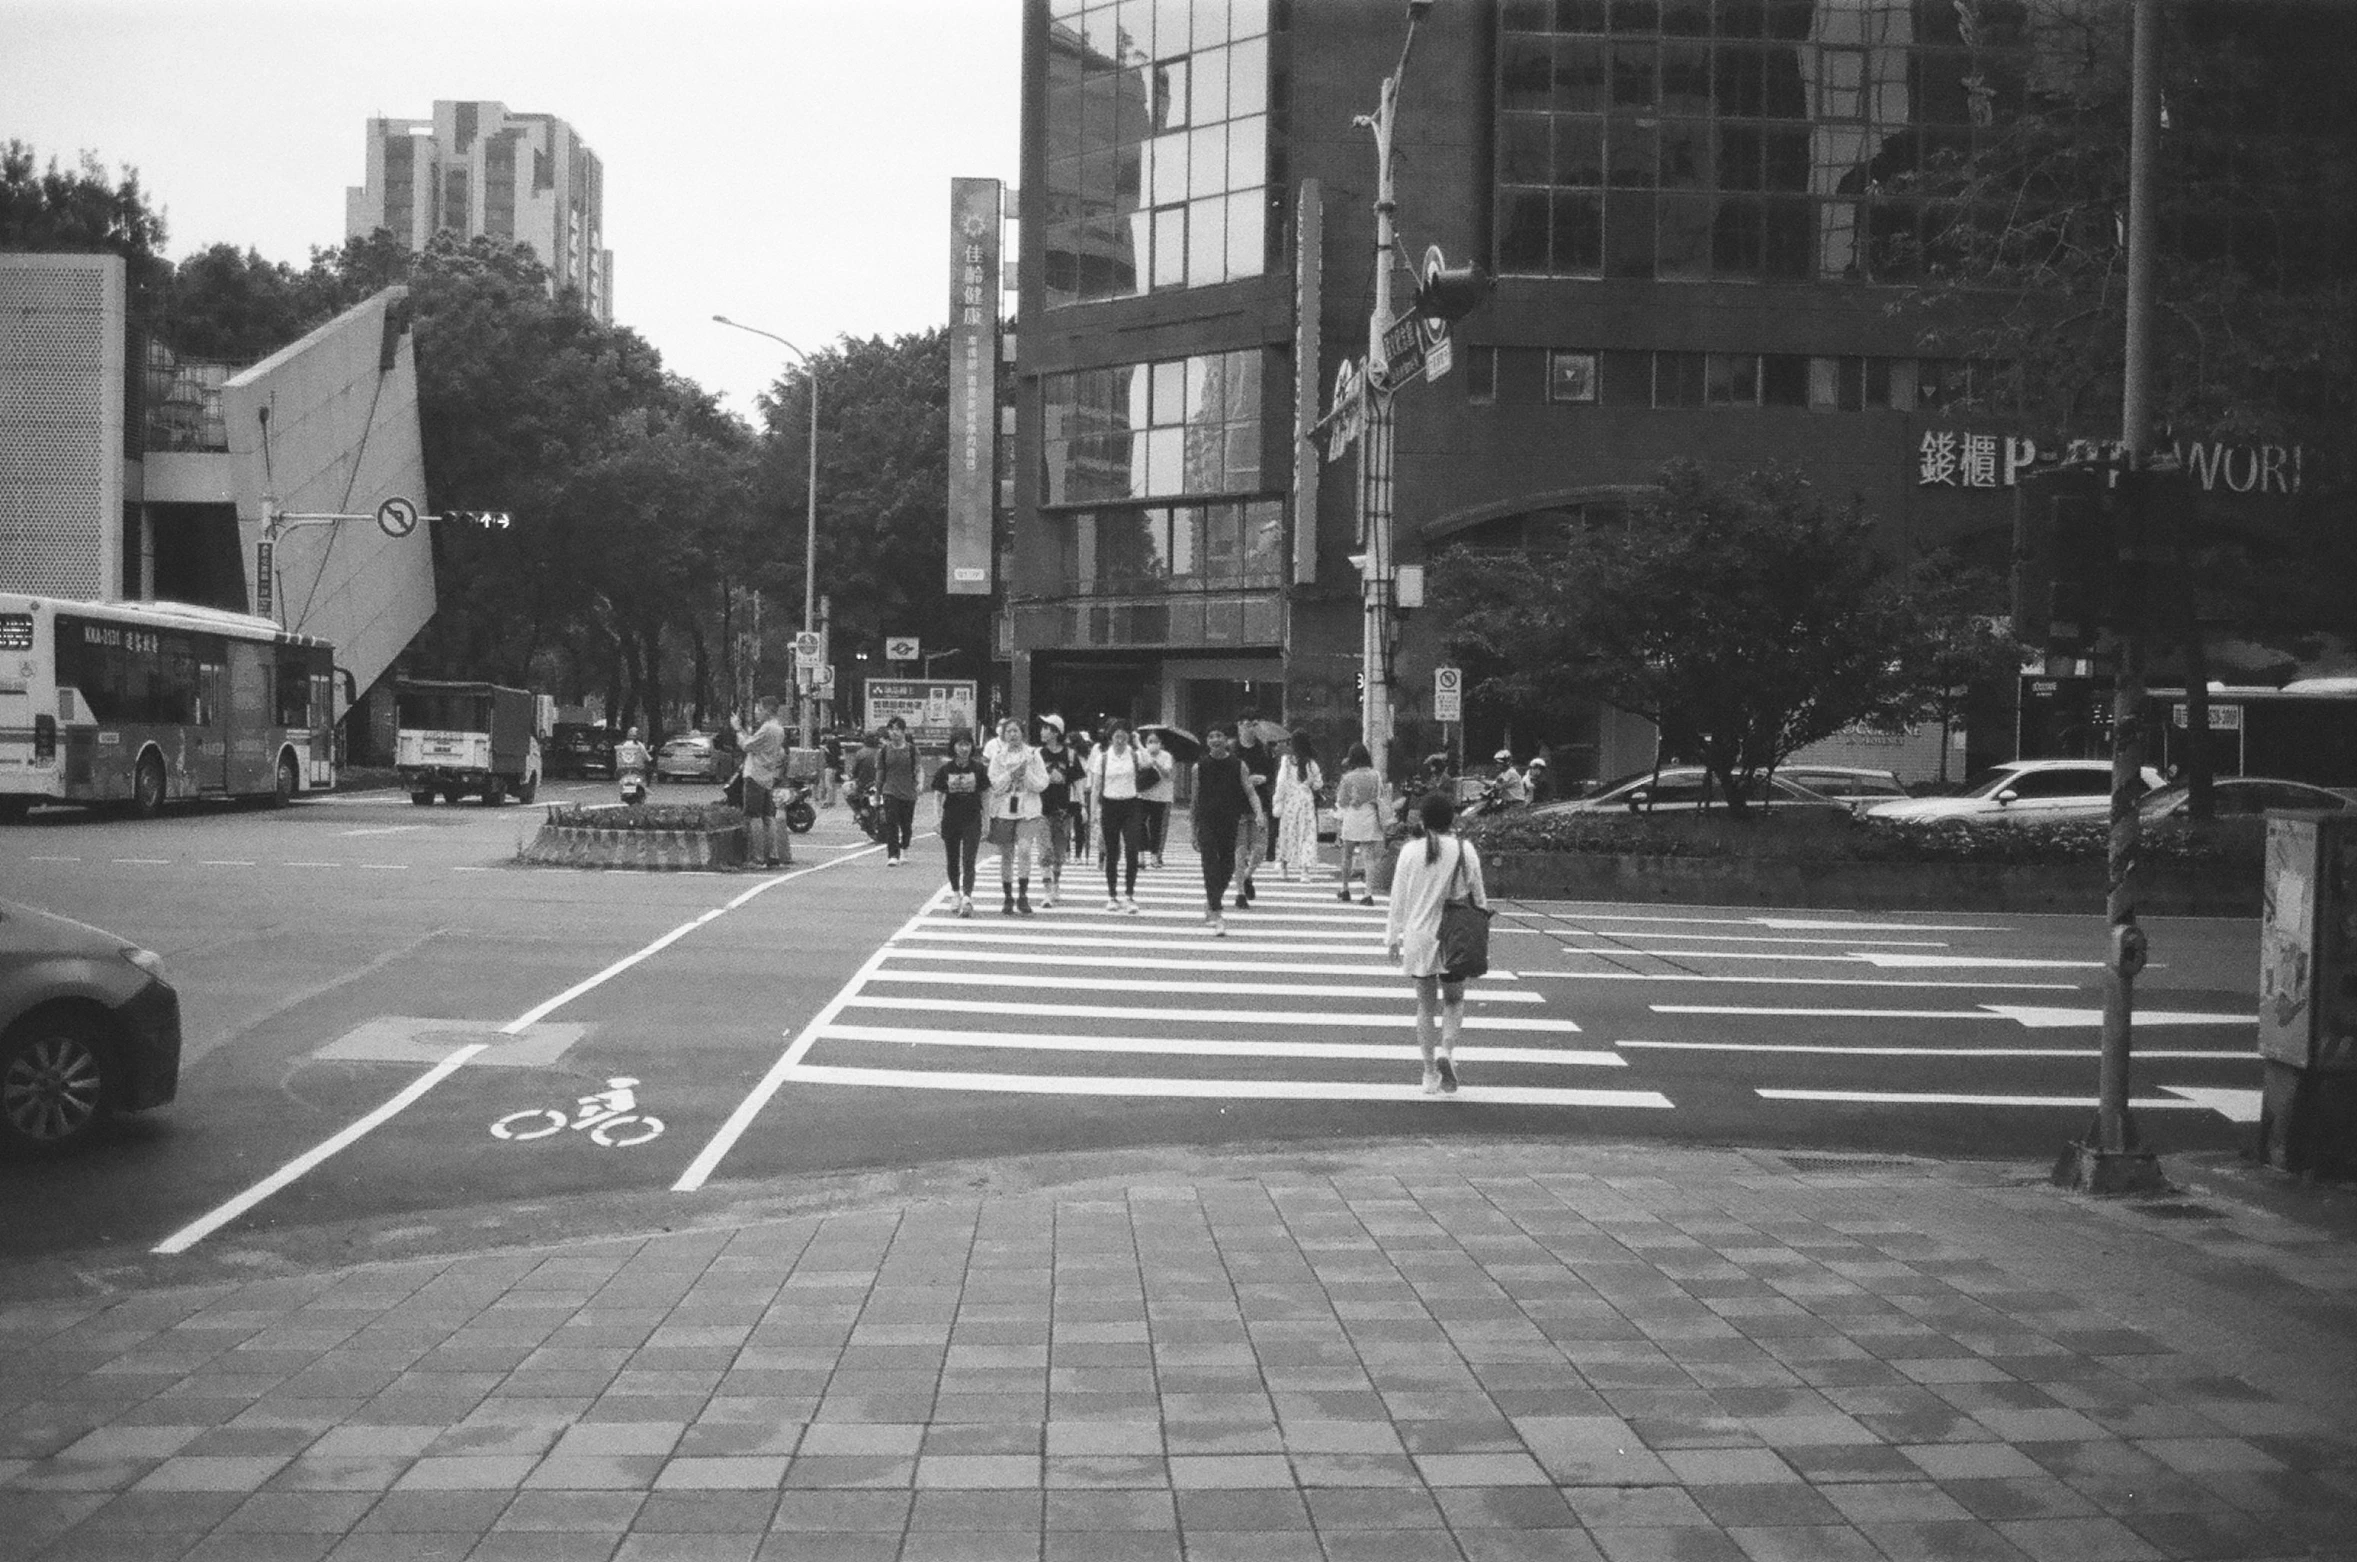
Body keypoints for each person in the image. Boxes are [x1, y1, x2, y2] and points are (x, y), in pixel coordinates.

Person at [1385, 793, 1489, 1095]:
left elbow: (1398, 899)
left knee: (1425, 1005)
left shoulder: (1409, 852)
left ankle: (1430, 1073)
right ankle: (1447, 1050)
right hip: (1454, 937)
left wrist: (1392, 937)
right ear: (1452, 820)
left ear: (1421, 821)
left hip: (1419, 937)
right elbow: (1479, 896)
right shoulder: (1464, 849)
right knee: (1454, 1000)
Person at [1190, 724, 1263, 937]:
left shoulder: (1238, 765)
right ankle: (1217, 912)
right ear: (1207, 741)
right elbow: (1194, 800)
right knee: (1210, 866)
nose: (1215, 740)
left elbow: (1249, 791)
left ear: (1226, 739)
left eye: (1219, 735)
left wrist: (1258, 812)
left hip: (1231, 821)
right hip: (1207, 822)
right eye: (1211, 736)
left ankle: (1212, 902)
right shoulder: (1199, 767)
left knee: (1228, 865)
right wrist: (1193, 829)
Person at [986, 716, 1050, 914]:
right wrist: (1011, 774)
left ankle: (1023, 895)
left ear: (1022, 733)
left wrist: (1026, 774)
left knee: (1024, 850)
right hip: (1004, 810)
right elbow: (994, 784)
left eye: (1016, 730)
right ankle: (1007, 897)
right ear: (1003, 735)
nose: (1013, 734)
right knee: (1006, 855)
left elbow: (1042, 783)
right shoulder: (998, 757)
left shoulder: (1033, 755)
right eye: (1009, 731)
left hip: (1028, 810)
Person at [1089, 720, 1148, 912]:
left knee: (1132, 849)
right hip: (1110, 805)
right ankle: (1112, 895)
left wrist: (1139, 743)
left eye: (1124, 736)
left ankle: (1129, 895)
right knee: (1112, 852)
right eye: (1117, 736)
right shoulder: (1103, 758)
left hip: (1131, 805)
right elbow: (1096, 787)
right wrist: (1093, 813)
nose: (1120, 740)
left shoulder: (1134, 754)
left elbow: (1148, 763)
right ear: (1111, 737)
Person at [929, 727, 989, 916]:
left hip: (972, 818)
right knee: (952, 858)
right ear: (953, 747)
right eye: (960, 744)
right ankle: (955, 892)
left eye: (967, 744)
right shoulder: (945, 770)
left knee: (969, 859)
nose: (964, 748)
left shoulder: (979, 769)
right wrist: (937, 819)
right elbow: (937, 796)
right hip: (951, 818)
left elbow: (986, 796)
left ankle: (967, 897)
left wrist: (987, 821)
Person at [1035, 715, 1087, 908]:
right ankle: (1047, 892)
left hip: (1063, 811)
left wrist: (1083, 807)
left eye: (1046, 728)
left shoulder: (1070, 755)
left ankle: (1056, 883)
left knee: (1059, 855)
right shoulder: (1038, 754)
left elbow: (1078, 782)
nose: (1042, 732)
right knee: (1045, 852)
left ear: (1055, 732)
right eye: (1042, 728)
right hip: (1041, 810)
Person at [1232, 717, 1278, 906]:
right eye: (1245, 724)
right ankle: (1240, 894)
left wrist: (1263, 778)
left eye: (1252, 724)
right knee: (1240, 850)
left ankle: (1247, 876)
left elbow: (1272, 774)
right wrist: (1245, 780)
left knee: (1260, 849)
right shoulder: (1233, 750)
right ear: (1239, 726)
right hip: (1238, 803)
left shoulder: (1264, 749)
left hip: (1261, 802)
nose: (1249, 728)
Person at [737, 698, 787, 867]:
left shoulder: (767, 728)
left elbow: (746, 745)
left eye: (758, 709)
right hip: (768, 776)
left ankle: (757, 858)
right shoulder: (779, 729)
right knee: (769, 817)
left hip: (755, 774)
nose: (756, 712)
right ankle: (772, 855)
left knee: (754, 816)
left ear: (767, 710)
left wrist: (738, 729)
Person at [1334, 743, 1385, 905]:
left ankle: (1345, 889)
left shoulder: (1348, 778)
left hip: (1352, 816)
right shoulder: (1376, 775)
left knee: (1347, 854)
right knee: (1368, 856)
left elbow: (1341, 801)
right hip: (1369, 815)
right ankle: (1368, 893)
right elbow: (1380, 795)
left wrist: (1353, 799)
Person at [1271, 734, 1324, 881]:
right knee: (1307, 834)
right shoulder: (1311, 763)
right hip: (1306, 800)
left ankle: (1283, 868)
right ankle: (1304, 872)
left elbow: (1281, 783)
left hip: (1290, 801)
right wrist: (1310, 783)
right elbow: (1318, 784)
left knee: (1287, 833)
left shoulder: (1287, 761)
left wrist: (1277, 800)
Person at [876, 717, 922, 867]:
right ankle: (892, 855)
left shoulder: (912, 750)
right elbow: (880, 773)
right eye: (891, 729)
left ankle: (904, 849)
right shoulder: (884, 750)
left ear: (903, 731)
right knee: (891, 823)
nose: (894, 733)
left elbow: (918, 769)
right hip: (890, 790)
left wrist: (920, 783)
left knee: (906, 824)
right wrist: (878, 793)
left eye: (897, 729)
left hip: (908, 792)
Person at [1138, 730, 1177, 869]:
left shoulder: (1166, 756)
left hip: (1160, 797)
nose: (1152, 744)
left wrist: (1156, 763)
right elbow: (1137, 770)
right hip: (1143, 795)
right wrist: (1145, 764)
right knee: (1140, 824)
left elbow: (1168, 774)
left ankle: (1155, 857)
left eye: (1155, 741)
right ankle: (1140, 856)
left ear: (1161, 744)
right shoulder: (1140, 754)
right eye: (1149, 741)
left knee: (1156, 827)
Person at [614, 725, 652, 805]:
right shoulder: (639, 745)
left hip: (623, 770)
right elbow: (646, 756)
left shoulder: (622, 744)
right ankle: (646, 787)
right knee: (649, 771)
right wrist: (649, 760)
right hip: (637, 769)